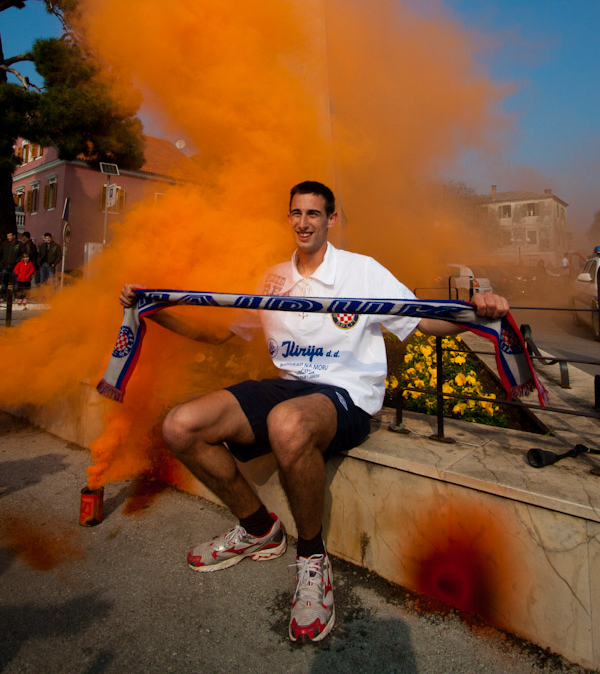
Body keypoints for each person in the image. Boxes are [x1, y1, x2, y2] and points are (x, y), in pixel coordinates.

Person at [120, 181, 509, 644]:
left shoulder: (362, 271)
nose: (304, 223)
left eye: (314, 214)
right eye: (296, 214)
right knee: (181, 425)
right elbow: (218, 333)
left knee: (287, 422)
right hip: (287, 386)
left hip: (344, 395)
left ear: (331, 219)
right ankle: (259, 529)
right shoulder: (272, 278)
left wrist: (478, 313)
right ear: (289, 218)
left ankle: (311, 558)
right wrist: (154, 310)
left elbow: (424, 320)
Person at [1, 231, 23, 298]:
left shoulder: (19, 244)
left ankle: (16, 295)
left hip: (15, 266)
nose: (8, 238)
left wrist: (17, 261)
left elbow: (22, 254)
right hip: (5, 265)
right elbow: (1, 253)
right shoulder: (4, 244)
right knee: (4, 281)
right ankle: (4, 295)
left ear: (14, 236)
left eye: (10, 236)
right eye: (8, 236)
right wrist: (2, 262)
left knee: (16, 281)